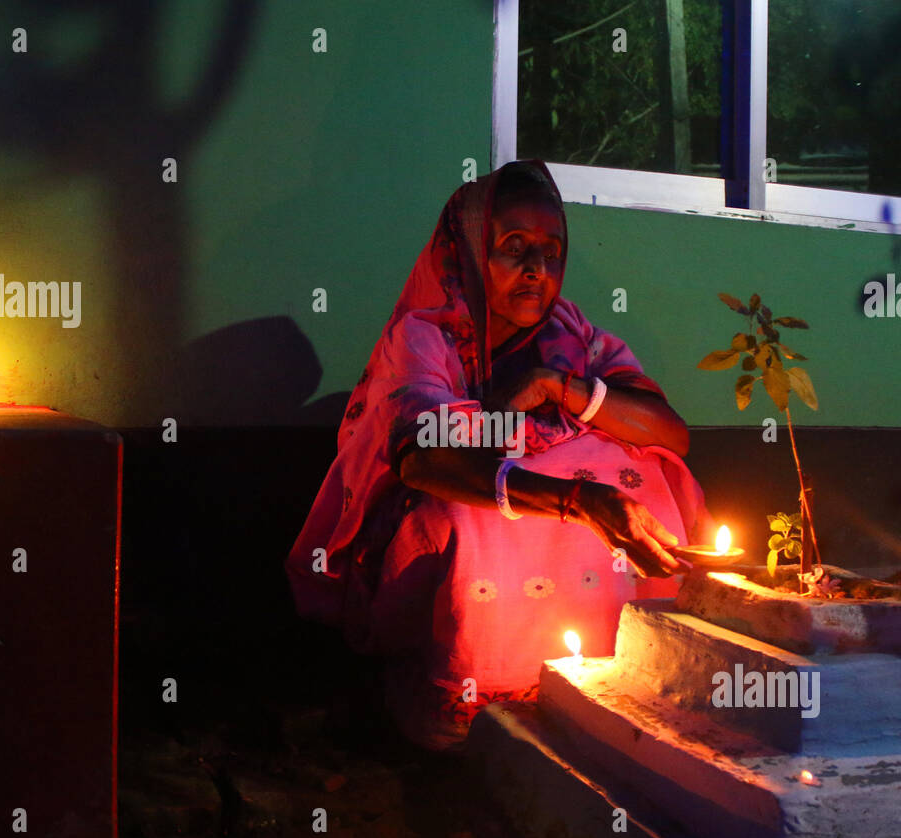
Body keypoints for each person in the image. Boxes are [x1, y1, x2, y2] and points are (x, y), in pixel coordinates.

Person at [285, 159, 713, 750]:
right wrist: (577, 500)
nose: (538, 270)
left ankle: (621, 679)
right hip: (430, 514)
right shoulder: (425, 335)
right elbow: (424, 455)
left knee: (650, 478)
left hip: (562, 487)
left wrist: (559, 386)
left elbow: (670, 434)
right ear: (467, 252)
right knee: (470, 519)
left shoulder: (573, 335)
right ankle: (472, 700)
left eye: (553, 252)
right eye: (514, 248)